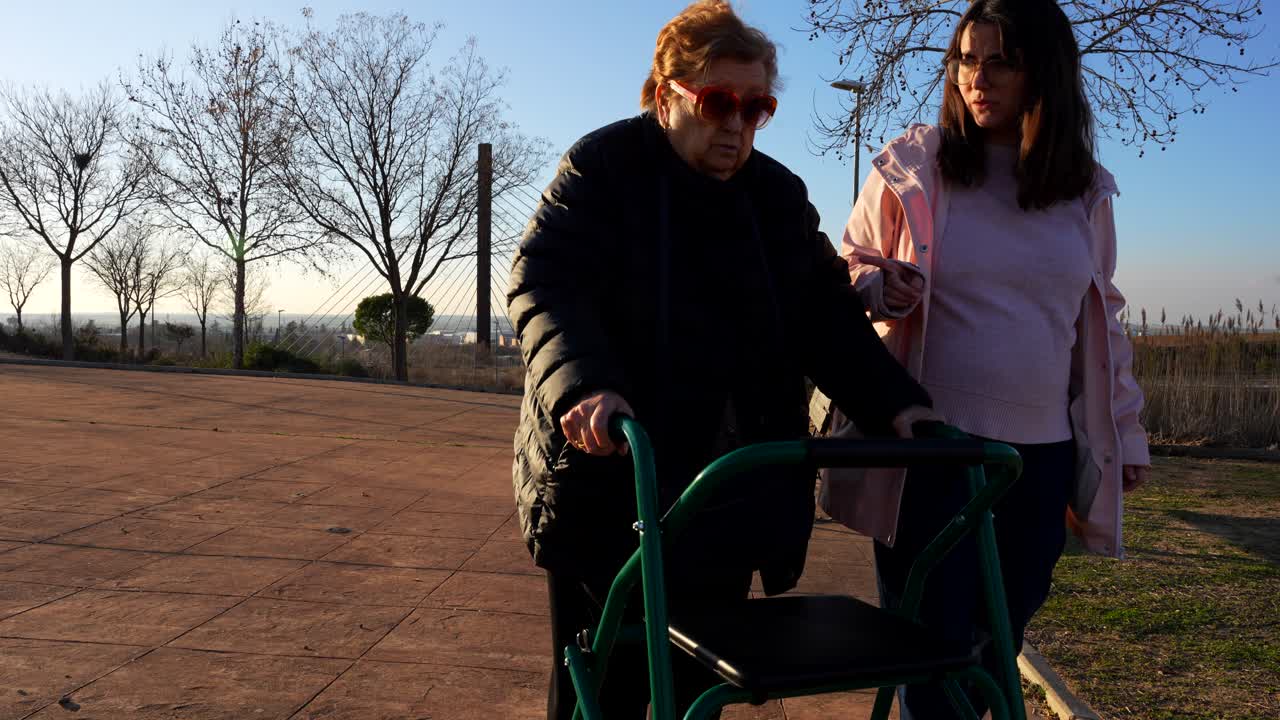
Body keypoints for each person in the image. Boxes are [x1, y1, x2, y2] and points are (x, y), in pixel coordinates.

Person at [507, 2, 937, 718]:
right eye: (716, 104)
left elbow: (826, 319)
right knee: (604, 685)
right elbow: (545, 280)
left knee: (695, 684)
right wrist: (587, 386)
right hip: (615, 482)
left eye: (755, 108)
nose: (735, 126)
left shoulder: (776, 198)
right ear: (665, 91)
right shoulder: (603, 168)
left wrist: (899, 402)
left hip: (720, 494)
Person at [819, 1, 1151, 717]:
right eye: (967, 59)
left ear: (1045, 73)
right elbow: (843, 269)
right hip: (929, 458)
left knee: (998, 645)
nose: (978, 77)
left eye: (1001, 60)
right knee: (931, 655)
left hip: (1037, 465)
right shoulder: (918, 165)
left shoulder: (1083, 189)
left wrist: (1125, 430)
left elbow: (1101, 321)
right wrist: (878, 285)